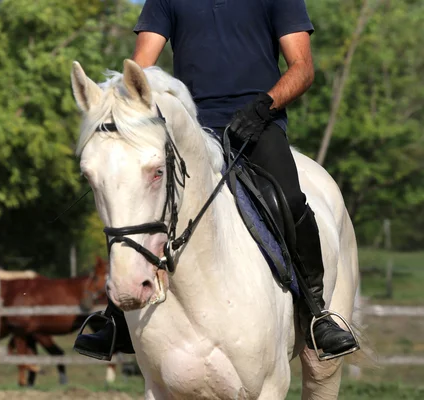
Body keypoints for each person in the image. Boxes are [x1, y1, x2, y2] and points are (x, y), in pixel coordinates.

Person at [74, 0, 358, 361]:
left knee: (288, 199)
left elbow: (302, 68)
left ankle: (318, 314)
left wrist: (263, 107)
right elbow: (140, 68)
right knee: (128, 190)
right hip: (188, 123)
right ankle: (117, 315)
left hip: (258, 121)